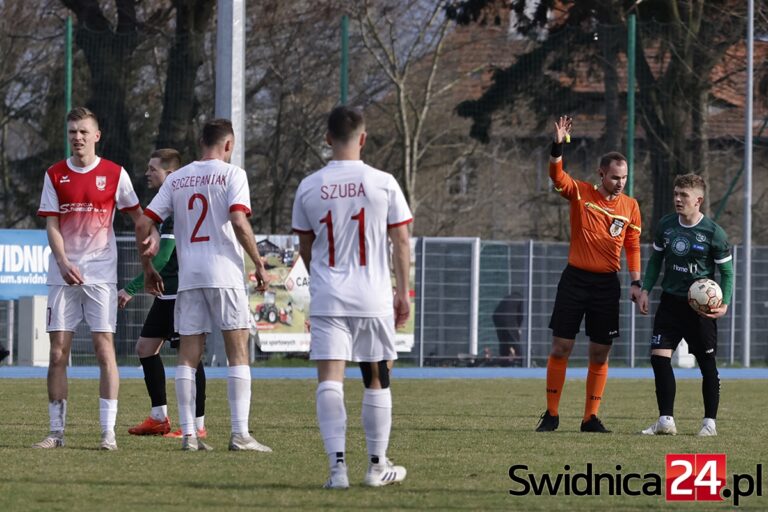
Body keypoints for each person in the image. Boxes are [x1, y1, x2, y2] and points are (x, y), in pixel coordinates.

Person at [292, 105, 412, 489]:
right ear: (362, 138)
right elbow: (401, 241)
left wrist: (323, 279)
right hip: (373, 295)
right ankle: (377, 467)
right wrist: (402, 290)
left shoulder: (310, 186)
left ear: (327, 139)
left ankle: (336, 470)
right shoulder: (383, 182)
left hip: (329, 296)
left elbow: (305, 246)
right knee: (377, 377)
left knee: (330, 379)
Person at [135, 118, 274, 452]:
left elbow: (144, 223)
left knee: (187, 355)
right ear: (229, 145)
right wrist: (258, 262)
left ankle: (188, 436)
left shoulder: (178, 177)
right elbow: (239, 220)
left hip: (190, 277)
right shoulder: (233, 174)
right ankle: (240, 434)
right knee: (237, 351)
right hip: (224, 274)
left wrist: (148, 267)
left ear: (200, 141)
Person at [34, 107, 143, 450]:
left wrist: (149, 236)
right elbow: (51, 224)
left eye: (83, 132)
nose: (77, 138)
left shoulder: (114, 173)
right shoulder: (54, 174)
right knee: (57, 354)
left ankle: (107, 432)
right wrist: (63, 262)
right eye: (72, 133)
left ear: (97, 136)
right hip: (62, 276)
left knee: (104, 350)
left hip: (101, 275)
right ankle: (56, 433)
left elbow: (137, 215)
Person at [536, 115, 642, 433]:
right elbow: (557, 175)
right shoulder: (581, 193)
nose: (620, 182)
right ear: (601, 174)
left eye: (623, 177)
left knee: (600, 351)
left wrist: (636, 283)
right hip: (575, 280)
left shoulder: (631, 207)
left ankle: (589, 418)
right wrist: (557, 145)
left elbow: (633, 246)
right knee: (561, 347)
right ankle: (552, 414)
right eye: (614, 177)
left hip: (607, 285)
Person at [119, 149, 207, 439]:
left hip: (182, 293)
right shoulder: (166, 207)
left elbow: (164, 256)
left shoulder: (174, 210)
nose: (147, 173)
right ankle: (159, 417)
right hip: (167, 295)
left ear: (169, 175)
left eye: (152, 169)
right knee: (145, 348)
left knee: (190, 357)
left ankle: (198, 423)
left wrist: (131, 288)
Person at [638, 174, 732, 437]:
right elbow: (656, 261)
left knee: (707, 363)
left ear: (698, 200)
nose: (678, 199)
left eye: (684, 195)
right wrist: (645, 289)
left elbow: (728, 273)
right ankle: (665, 420)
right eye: (676, 193)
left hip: (700, 309)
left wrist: (723, 303)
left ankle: (709, 423)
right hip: (669, 302)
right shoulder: (666, 225)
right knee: (659, 358)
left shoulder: (714, 233)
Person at [492, 292, 523, 366]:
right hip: (508, 318)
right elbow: (521, 314)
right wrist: (518, 327)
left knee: (503, 340)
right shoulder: (521, 300)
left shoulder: (508, 298)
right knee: (514, 340)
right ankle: (521, 361)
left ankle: (504, 361)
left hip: (497, 317)